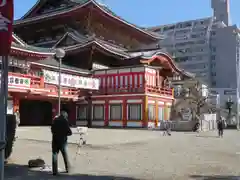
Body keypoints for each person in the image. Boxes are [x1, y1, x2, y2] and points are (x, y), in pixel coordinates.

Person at [51, 111, 72, 175]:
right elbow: (70, 132)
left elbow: (52, 129)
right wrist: (64, 134)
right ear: (65, 116)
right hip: (62, 141)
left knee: (54, 155)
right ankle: (67, 169)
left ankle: (54, 171)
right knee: (65, 155)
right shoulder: (65, 121)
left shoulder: (55, 120)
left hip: (55, 140)